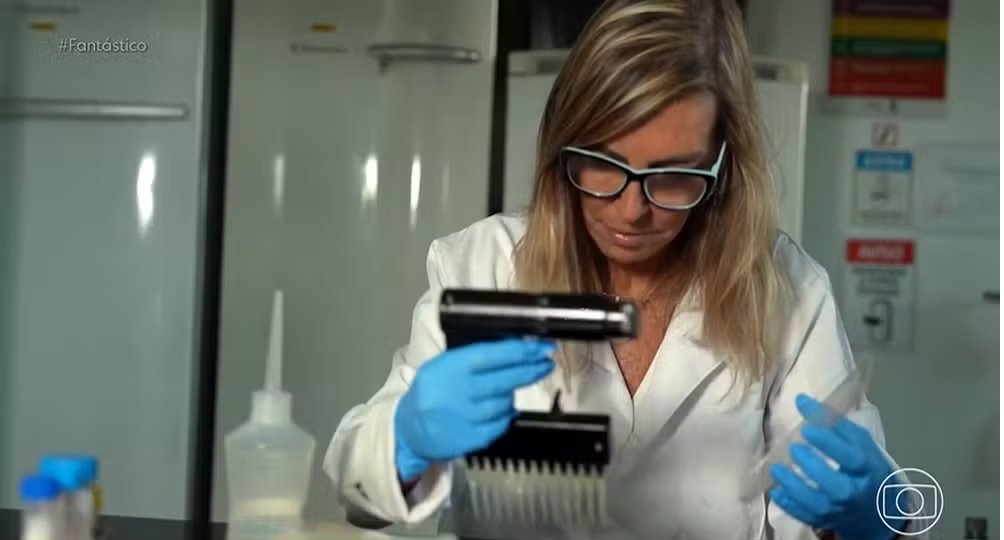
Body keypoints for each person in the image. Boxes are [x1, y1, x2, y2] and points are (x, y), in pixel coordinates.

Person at [324, 1, 911, 538]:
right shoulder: (483, 265)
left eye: (674, 175)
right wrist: (405, 442)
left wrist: (879, 517)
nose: (632, 210)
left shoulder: (789, 290)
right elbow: (357, 495)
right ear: (563, 148)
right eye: (603, 163)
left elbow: (892, 514)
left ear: (722, 169)